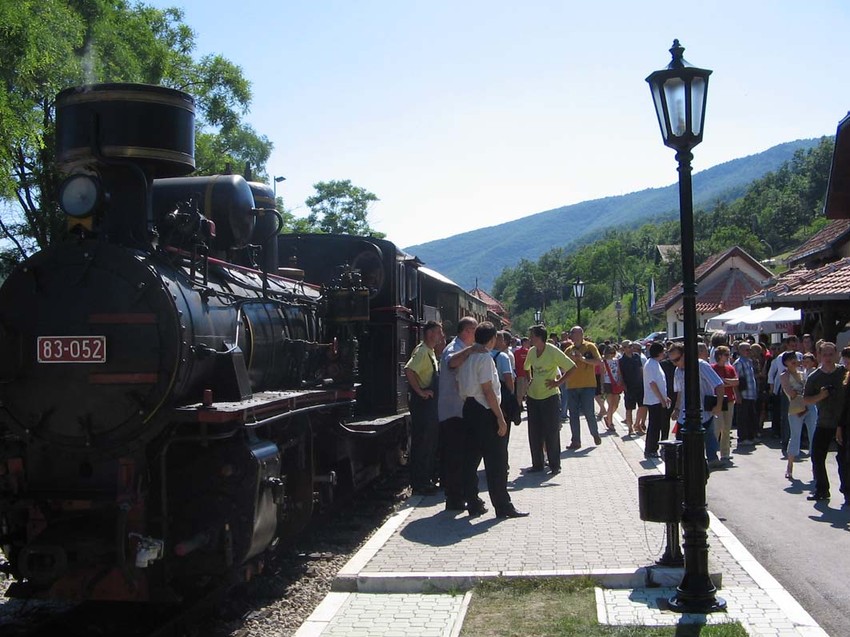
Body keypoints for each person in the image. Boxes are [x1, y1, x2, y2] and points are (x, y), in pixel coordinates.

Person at [458, 322, 528, 518]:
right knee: (496, 460)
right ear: (492, 339)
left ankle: (473, 502)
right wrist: (500, 418)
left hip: (468, 407)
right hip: (485, 410)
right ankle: (503, 506)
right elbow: (488, 390)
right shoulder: (485, 359)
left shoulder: (467, 358)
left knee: (470, 459)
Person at [438, 316, 484, 512]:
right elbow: (452, 362)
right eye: (474, 330)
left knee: (463, 456)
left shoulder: (462, 347)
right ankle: (454, 498)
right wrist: (471, 350)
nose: (476, 334)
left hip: (460, 411)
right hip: (453, 412)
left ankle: (460, 495)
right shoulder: (454, 348)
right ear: (466, 331)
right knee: (455, 457)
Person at [524, 325, 575, 474]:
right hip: (533, 396)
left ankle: (554, 465)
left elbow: (572, 367)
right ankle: (537, 464)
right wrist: (530, 380)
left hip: (550, 396)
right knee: (534, 432)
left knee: (551, 432)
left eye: (532, 336)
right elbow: (526, 367)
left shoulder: (552, 351)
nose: (530, 338)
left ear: (540, 337)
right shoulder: (532, 351)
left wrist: (558, 382)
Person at [802, 342, 847, 502]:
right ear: (819, 356)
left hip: (844, 422)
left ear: (836, 354)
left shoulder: (844, 372)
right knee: (817, 456)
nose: (828, 358)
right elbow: (806, 399)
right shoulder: (814, 377)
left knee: (844, 459)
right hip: (824, 422)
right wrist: (820, 396)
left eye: (831, 354)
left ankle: (847, 491)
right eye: (824, 354)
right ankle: (822, 490)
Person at [404, 320, 444, 495]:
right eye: (439, 332)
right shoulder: (422, 352)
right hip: (423, 405)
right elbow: (409, 370)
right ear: (429, 333)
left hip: (430, 406)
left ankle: (426, 479)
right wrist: (420, 391)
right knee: (423, 444)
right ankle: (420, 483)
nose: (441, 336)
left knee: (429, 444)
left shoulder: (430, 351)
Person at [668, 342, 724, 467]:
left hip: (704, 412)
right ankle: (686, 465)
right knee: (681, 443)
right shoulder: (678, 371)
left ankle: (711, 460)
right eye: (672, 361)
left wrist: (719, 405)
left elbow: (719, 384)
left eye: (677, 360)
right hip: (684, 415)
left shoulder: (701, 365)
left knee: (708, 437)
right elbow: (680, 391)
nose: (675, 363)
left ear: (684, 355)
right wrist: (676, 408)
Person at [563, 326, 603, 449]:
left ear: (581, 334)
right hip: (572, 386)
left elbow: (598, 361)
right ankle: (576, 441)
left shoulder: (590, 347)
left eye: (574, 333)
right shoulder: (568, 350)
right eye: (571, 333)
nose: (572, 336)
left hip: (588, 385)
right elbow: (562, 367)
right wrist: (571, 360)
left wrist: (582, 359)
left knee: (589, 412)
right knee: (573, 414)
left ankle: (595, 434)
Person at [780, 352, 817, 481]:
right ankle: (789, 467)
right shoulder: (784, 375)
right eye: (791, 359)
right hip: (796, 408)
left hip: (809, 406)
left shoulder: (803, 373)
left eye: (795, 358)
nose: (794, 361)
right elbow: (790, 392)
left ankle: (816, 467)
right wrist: (802, 392)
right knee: (795, 436)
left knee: (814, 436)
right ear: (786, 362)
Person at [768, 336, 801, 456]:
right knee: (787, 417)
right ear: (787, 345)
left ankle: (797, 441)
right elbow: (781, 373)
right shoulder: (781, 357)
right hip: (786, 388)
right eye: (792, 345)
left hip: (799, 390)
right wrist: (773, 389)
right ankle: (785, 442)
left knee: (799, 416)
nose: (794, 347)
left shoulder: (799, 355)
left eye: (795, 344)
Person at [642, 341, 671, 459]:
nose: (664, 353)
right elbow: (652, 384)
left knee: (658, 425)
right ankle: (650, 449)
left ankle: (654, 448)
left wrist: (665, 397)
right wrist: (661, 399)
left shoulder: (656, 363)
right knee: (654, 425)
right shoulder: (650, 365)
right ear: (659, 352)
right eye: (663, 351)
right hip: (654, 400)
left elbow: (660, 382)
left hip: (658, 399)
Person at [711, 346, 739, 463]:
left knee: (727, 428)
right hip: (717, 400)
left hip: (730, 400)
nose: (728, 357)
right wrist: (726, 382)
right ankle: (712, 452)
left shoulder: (730, 368)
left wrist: (724, 381)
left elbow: (736, 382)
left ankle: (725, 453)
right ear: (719, 356)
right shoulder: (712, 368)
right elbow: (714, 383)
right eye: (726, 355)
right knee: (717, 427)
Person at [733, 342, 758, 447]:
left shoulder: (749, 362)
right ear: (740, 351)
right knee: (743, 417)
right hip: (743, 395)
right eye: (747, 350)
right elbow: (735, 380)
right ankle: (743, 438)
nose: (749, 352)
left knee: (751, 417)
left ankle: (751, 436)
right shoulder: (738, 363)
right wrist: (737, 395)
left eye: (749, 349)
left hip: (751, 394)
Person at [619, 340, 643, 435]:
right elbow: (620, 374)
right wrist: (624, 385)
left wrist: (643, 381)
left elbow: (641, 369)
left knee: (642, 406)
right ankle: (630, 428)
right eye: (629, 346)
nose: (631, 348)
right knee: (629, 408)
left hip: (639, 385)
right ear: (624, 348)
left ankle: (638, 424)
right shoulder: (621, 361)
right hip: (629, 387)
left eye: (632, 346)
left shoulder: (636, 356)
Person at [600, 344, 622, 431]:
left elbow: (619, 372)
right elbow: (602, 374)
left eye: (613, 352)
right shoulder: (604, 362)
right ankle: (610, 423)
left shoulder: (617, 361)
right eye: (610, 352)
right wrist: (602, 386)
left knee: (616, 404)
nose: (612, 354)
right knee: (610, 404)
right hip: (607, 383)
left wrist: (620, 380)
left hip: (616, 383)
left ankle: (608, 417)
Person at [513, 337, 530, 411]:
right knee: (520, 392)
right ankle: (518, 407)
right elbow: (516, 363)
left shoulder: (529, 352)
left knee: (528, 391)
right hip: (520, 374)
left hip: (527, 374)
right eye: (527, 342)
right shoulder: (517, 352)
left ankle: (527, 405)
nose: (528, 344)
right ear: (523, 343)